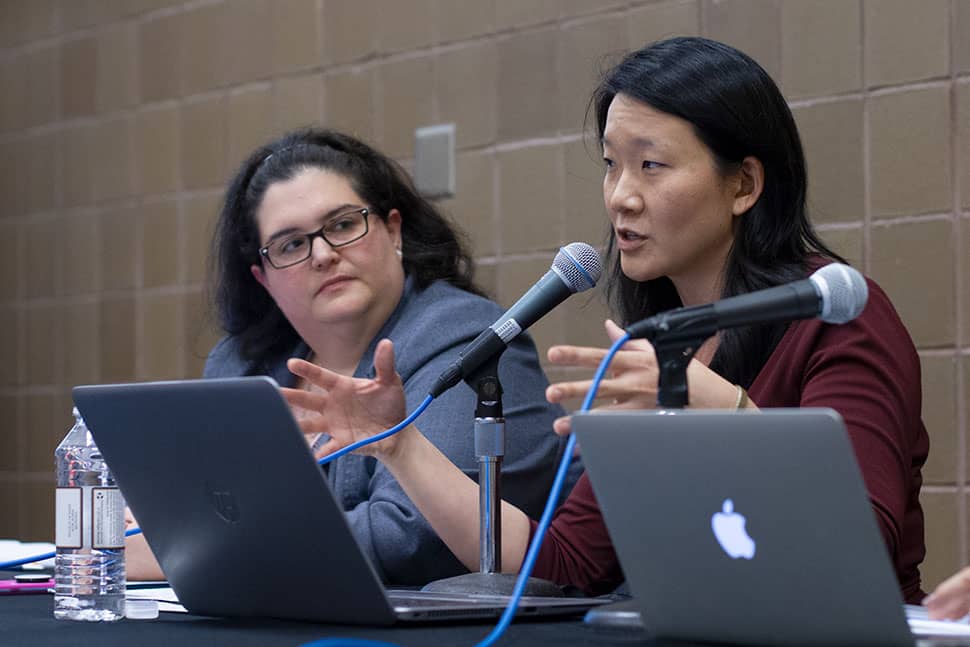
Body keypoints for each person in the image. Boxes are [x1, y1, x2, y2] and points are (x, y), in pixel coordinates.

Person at [283, 37, 929, 603]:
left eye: (651, 164)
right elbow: (564, 563)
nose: (621, 195)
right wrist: (399, 445)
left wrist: (719, 407)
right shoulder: (662, 343)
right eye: (611, 164)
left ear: (744, 185)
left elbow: (861, 543)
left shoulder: (841, 317)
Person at [124, 128, 580, 585]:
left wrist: (182, 551)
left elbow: (411, 538)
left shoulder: (469, 343)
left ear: (393, 230)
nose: (322, 254)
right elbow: (215, 512)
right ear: (264, 280)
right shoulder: (242, 365)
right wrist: (157, 525)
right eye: (291, 244)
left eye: (342, 224)